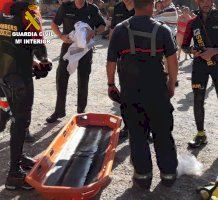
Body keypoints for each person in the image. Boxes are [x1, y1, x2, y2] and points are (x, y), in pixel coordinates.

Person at [107, 0, 178, 189]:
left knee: (137, 135)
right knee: (163, 133)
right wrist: (171, 85)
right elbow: (172, 62)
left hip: (131, 95)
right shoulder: (162, 30)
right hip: (158, 94)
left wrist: (111, 85)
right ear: (151, 5)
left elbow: (111, 61)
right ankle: (169, 174)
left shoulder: (121, 30)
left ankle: (143, 177)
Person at [0, 0, 52, 190]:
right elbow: (35, 39)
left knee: (14, 118)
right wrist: (44, 61)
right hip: (20, 78)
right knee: (21, 121)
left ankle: (18, 155)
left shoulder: (2, 7)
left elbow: (10, 41)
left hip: (4, 74)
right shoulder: (29, 9)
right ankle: (14, 174)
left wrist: (32, 64)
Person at [46, 0, 106, 123]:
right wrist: (61, 36)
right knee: (61, 77)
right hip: (69, 49)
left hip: (85, 50)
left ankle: (81, 112)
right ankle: (59, 111)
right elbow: (54, 24)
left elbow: (102, 26)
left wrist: (93, 32)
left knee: (83, 79)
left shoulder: (92, 9)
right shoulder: (65, 7)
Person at [182, 0, 218, 148]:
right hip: (199, 65)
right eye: (202, 1)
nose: (206, 3)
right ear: (197, 2)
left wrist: (214, 51)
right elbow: (184, 46)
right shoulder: (193, 22)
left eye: (208, 0)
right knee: (198, 99)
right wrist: (192, 50)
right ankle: (200, 135)